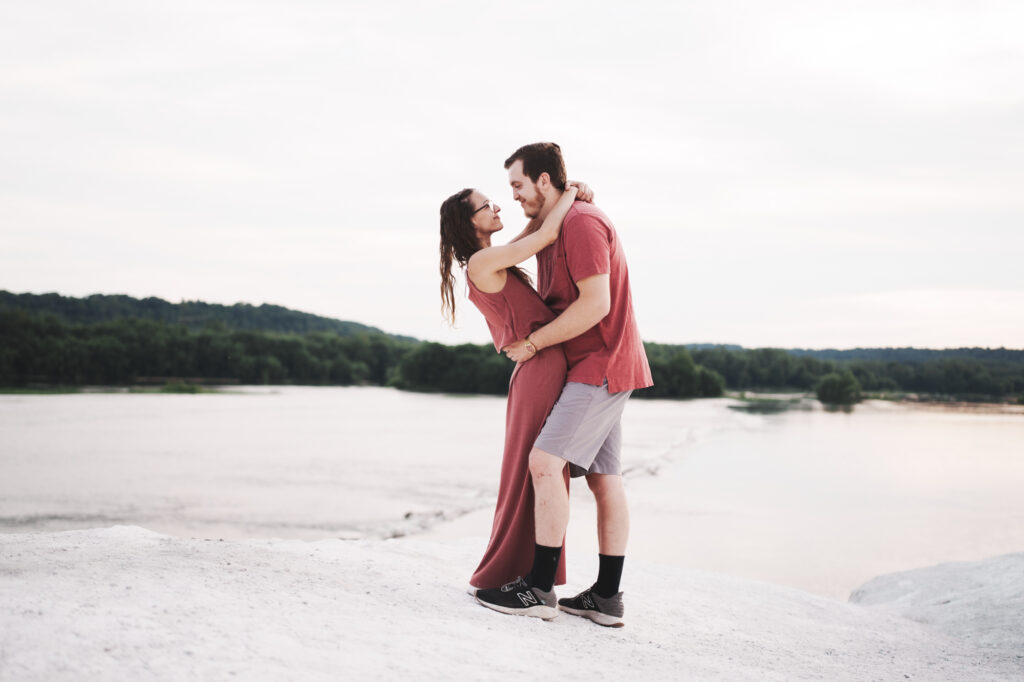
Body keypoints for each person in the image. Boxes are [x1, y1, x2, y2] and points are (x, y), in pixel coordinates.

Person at [474, 142, 652, 627]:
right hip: (592, 366)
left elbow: (597, 305)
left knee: (544, 461)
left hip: (601, 364)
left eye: (518, 185)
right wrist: (575, 192)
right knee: (603, 479)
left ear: (544, 181)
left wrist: (533, 345)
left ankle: (538, 588)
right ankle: (606, 598)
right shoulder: (561, 222)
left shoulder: (583, 224)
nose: (513, 197)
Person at [439, 181, 591, 592]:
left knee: (539, 469)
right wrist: (571, 196)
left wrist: (563, 199)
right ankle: (512, 572)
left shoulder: (489, 258)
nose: (497, 207)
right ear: (468, 222)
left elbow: (533, 234)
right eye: (486, 206)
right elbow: (545, 235)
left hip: (540, 365)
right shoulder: (482, 263)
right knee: (534, 470)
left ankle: (529, 573)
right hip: (538, 367)